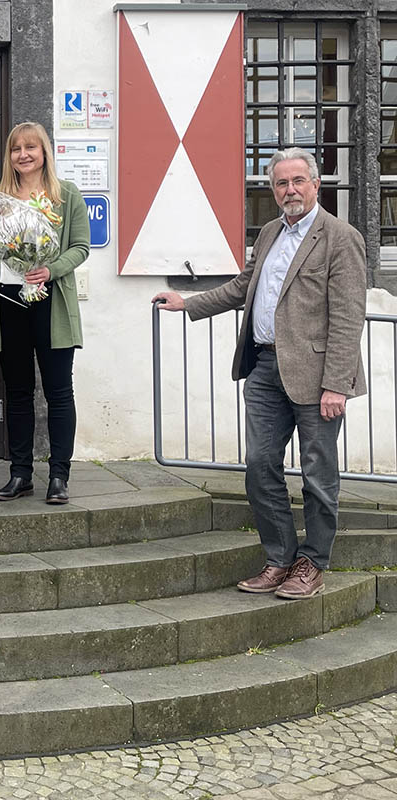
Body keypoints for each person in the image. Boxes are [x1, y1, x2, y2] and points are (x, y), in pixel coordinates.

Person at [154, 147, 366, 600]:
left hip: (316, 373)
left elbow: (349, 317)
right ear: (272, 190)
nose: (289, 190)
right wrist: (188, 302)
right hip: (266, 368)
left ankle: (313, 563)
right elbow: (242, 288)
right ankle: (279, 559)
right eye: (280, 184)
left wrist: (336, 384)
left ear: (316, 184)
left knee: (317, 472)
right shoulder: (270, 232)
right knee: (260, 465)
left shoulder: (340, 237)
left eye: (297, 182)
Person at [0, 121, 90, 505]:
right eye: (15, 149)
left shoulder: (66, 195)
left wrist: (50, 269)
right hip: (9, 301)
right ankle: (20, 473)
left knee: (59, 392)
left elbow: (80, 247)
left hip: (50, 300)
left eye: (30, 148)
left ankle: (59, 475)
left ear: (44, 153)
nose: (23, 155)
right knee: (18, 393)